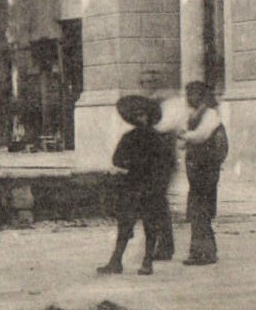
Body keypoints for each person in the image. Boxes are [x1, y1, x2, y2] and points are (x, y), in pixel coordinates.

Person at [97, 96, 172, 277]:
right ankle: (116, 261)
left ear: (149, 116)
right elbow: (117, 159)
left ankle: (147, 262)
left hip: (151, 187)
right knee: (124, 225)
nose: (140, 118)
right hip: (132, 186)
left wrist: (159, 185)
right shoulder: (128, 137)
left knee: (150, 226)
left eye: (143, 115)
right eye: (136, 115)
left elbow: (166, 164)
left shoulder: (158, 139)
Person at [180, 82, 229, 266]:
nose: (188, 98)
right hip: (197, 169)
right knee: (197, 210)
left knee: (201, 210)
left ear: (199, 96)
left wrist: (185, 136)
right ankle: (201, 251)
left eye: (191, 94)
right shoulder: (195, 114)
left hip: (206, 169)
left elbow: (201, 135)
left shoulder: (209, 114)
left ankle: (205, 253)